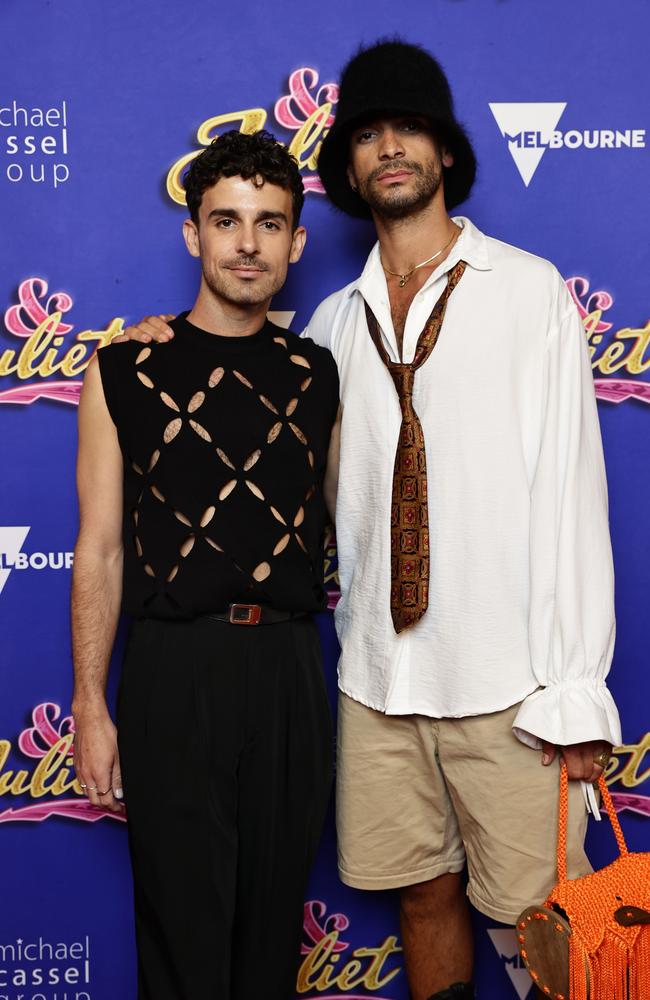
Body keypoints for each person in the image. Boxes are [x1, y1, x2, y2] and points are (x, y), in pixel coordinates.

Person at [121, 41, 622, 1000]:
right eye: (366, 135)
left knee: (543, 926)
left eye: (409, 128)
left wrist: (574, 687)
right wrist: (157, 345)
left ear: (444, 150)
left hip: (509, 686)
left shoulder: (527, 292)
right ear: (347, 168)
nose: (388, 147)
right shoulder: (329, 330)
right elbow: (235, 397)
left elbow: (572, 490)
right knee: (422, 901)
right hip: (375, 682)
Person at [71, 129, 340, 1000]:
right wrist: (88, 702)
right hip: (172, 671)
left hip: (290, 669)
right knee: (182, 943)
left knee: (269, 946)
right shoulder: (123, 369)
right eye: (227, 221)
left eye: (270, 223)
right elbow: (101, 549)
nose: (248, 243)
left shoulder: (320, 373)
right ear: (193, 233)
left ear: (297, 243)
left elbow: (362, 525)